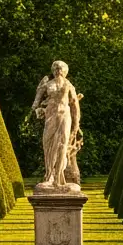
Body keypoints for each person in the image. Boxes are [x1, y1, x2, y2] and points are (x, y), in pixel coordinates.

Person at [31, 60, 83, 189]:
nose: (58, 71)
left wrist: (76, 126)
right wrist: (38, 109)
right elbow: (35, 103)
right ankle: (49, 175)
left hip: (65, 116)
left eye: (60, 69)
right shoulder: (46, 84)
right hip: (50, 117)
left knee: (62, 145)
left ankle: (59, 177)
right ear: (53, 70)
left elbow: (75, 106)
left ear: (65, 71)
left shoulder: (69, 85)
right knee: (48, 144)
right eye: (56, 69)